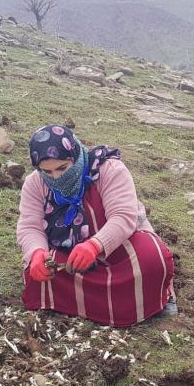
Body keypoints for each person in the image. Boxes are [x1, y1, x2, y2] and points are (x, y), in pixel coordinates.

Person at [16, 125, 176, 327]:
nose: (56, 177)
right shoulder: (35, 183)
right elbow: (30, 227)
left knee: (152, 258)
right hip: (70, 257)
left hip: (118, 247)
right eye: (47, 171)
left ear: (74, 156)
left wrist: (94, 245)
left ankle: (155, 299)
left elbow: (123, 216)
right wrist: (37, 252)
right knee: (39, 272)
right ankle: (93, 302)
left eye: (62, 168)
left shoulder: (109, 169)